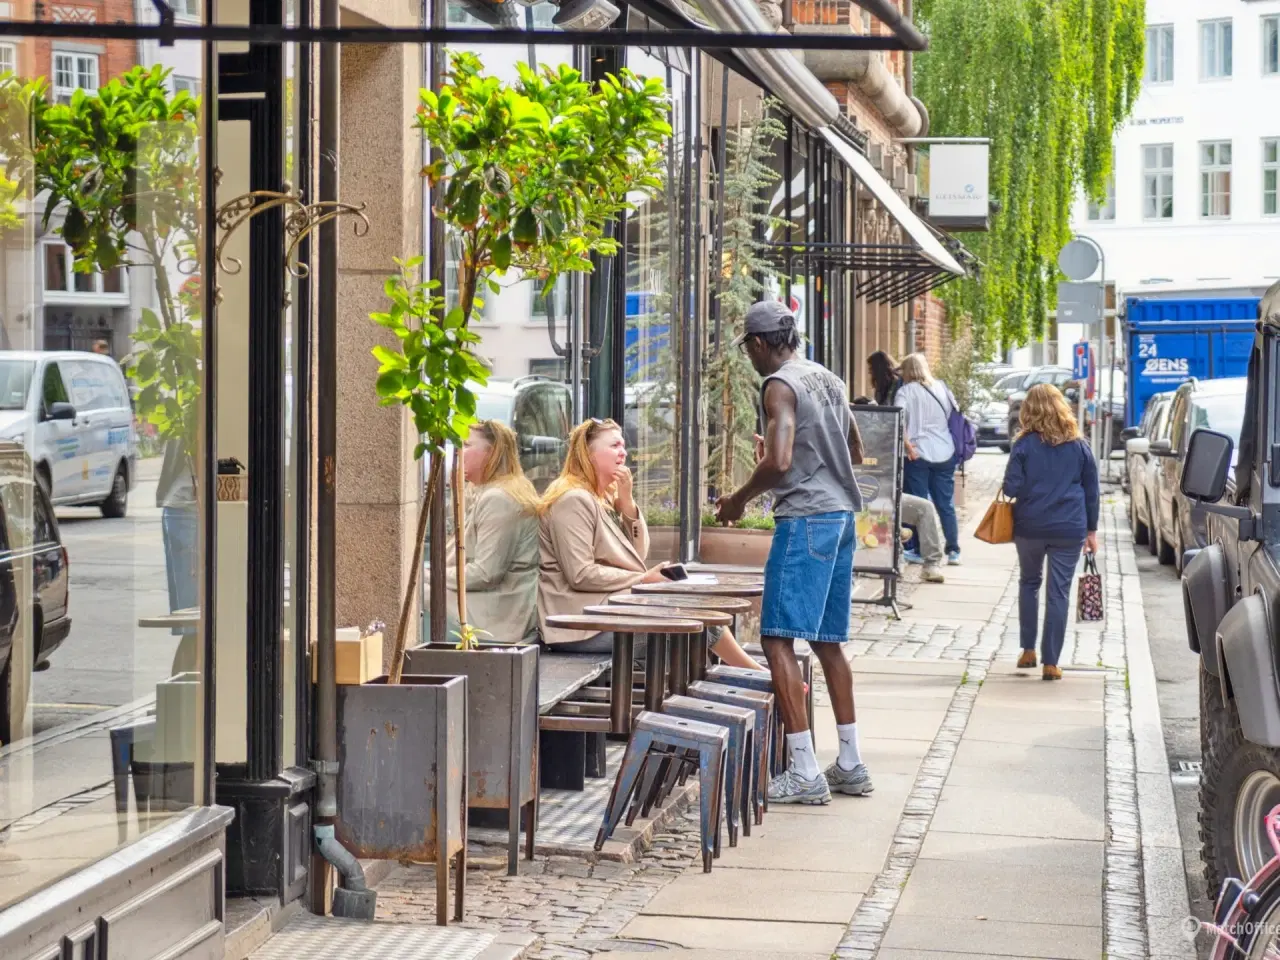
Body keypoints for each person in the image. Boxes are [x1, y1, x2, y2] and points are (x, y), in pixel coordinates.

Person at [716, 300, 870, 805]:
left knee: (777, 640)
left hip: (805, 520)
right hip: (842, 516)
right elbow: (854, 452)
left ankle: (804, 771)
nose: (751, 360)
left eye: (749, 350)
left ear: (760, 344)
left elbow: (780, 463)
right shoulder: (827, 378)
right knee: (828, 642)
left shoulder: (779, 385)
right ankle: (850, 763)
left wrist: (738, 498)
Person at [538, 417, 763, 668]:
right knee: (690, 628)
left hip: (610, 612)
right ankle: (758, 677)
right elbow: (580, 574)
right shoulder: (573, 500)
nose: (623, 452)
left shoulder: (603, 499)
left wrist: (628, 503)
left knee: (698, 622)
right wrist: (643, 580)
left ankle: (751, 679)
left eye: (623, 445)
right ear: (588, 454)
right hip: (581, 626)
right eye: (614, 445)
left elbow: (638, 555)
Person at [1002, 384, 1100, 681]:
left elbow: (1010, 488)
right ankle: (1052, 662)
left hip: (1030, 526)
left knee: (1029, 583)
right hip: (1069, 527)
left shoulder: (1023, 445)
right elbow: (1092, 492)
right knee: (1058, 592)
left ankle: (1028, 649)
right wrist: (1091, 531)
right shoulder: (1080, 446)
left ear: (1028, 411)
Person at [444, 420, 540, 643]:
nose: (458, 453)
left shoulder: (499, 497)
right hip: (501, 601)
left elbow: (486, 573)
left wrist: (432, 577)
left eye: (467, 445)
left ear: (492, 452)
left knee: (420, 596)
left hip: (500, 611)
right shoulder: (483, 490)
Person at [896, 353, 961, 565]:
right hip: (945, 451)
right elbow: (954, 412)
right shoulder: (941, 388)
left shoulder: (905, 392)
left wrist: (907, 444)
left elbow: (898, 419)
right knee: (945, 503)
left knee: (919, 503)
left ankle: (918, 549)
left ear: (907, 371)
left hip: (917, 453)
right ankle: (953, 550)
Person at [899, 493, 946, 583]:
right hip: (867, 494)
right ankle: (895, 559)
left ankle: (931, 564)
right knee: (887, 507)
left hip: (890, 490)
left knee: (925, 507)